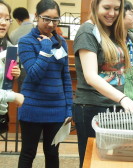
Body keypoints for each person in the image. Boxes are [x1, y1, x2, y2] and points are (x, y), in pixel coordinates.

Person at [72, 0, 133, 167]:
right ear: (95, 6)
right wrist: (124, 99)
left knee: (113, 162)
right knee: (92, 161)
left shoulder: (113, 31)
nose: (112, 13)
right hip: (92, 107)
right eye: (107, 8)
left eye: (117, 9)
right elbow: (91, 76)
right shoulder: (87, 31)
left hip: (114, 108)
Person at [17, 0, 73, 167]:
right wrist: (46, 48)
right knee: (28, 152)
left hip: (57, 107)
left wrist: (69, 107)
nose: (51, 24)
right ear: (36, 17)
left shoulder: (61, 42)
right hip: (32, 106)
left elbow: (65, 77)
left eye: (55, 20)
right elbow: (34, 75)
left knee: (52, 153)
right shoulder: (26, 41)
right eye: (46, 19)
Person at [0, 0, 24, 134]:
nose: (3, 22)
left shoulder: (8, 47)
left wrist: (14, 72)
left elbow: (5, 82)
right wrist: (13, 96)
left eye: (7, 18)